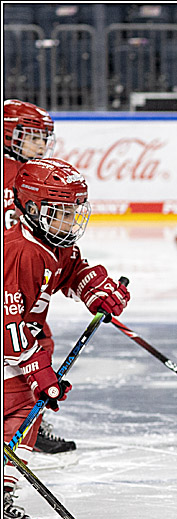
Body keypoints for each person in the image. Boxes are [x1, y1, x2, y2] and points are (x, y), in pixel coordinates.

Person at [3, 158, 131, 519]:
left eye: (75, 211)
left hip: (24, 340)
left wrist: (96, 291)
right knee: (21, 409)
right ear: (33, 210)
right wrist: (40, 373)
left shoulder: (52, 241)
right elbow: (8, 325)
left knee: (25, 412)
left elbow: (72, 270)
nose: (71, 221)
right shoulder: (21, 251)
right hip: (12, 342)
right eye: (61, 212)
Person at [3, 99, 78, 456]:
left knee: (36, 336)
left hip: (24, 259)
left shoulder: (34, 174)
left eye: (42, 137)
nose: (39, 144)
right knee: (20, 346)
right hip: (13, 263)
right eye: (31, 136)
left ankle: (30, 419)